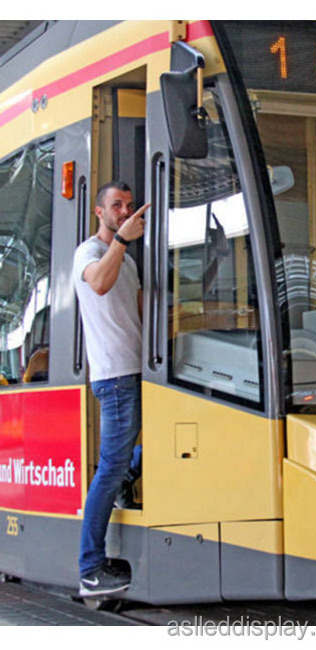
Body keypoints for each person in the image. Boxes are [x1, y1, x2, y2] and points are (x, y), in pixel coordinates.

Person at [73, 181, 149, 598]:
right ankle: (90, 569)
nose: (125, 211)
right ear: (99, 212)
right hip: (115, 376)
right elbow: (99, 284)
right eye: (116, 205)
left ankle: (125, 481)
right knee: (109, 468)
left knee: (162, 442)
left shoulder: (128, 261)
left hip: (140, 371)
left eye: (129, 205)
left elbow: (139, 310)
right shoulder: (89, 252)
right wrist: (120, 241)